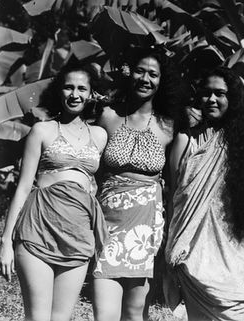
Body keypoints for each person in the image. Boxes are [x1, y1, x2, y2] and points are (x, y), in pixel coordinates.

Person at [0, 57, 108, 321]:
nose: (75, 94)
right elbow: (23, 187)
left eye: (82, 89)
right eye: (69, 87)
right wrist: (6, 241)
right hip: (38, 228)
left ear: (91, 94)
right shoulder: (42, 131)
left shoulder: (100, 136)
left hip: (78, 235)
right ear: (59, 91)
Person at [165, 67, 244, 321]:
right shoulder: (185, 140)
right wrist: (170, 247)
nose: (212, 99)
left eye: (220, 94)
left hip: (235, 255)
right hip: (192, 256)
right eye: (206, 93)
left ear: (232, 99)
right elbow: (175, 199)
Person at [91, 46, 180, 321]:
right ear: (129, 74)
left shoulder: (169, 126)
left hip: (146, 227)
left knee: (134, 314)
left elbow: (175, 188)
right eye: (140, 71)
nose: (145, 78)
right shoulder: (107, 116)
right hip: (106, 225)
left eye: (153, 74)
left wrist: (170, 239)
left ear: (161, 81)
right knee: (103, 314)